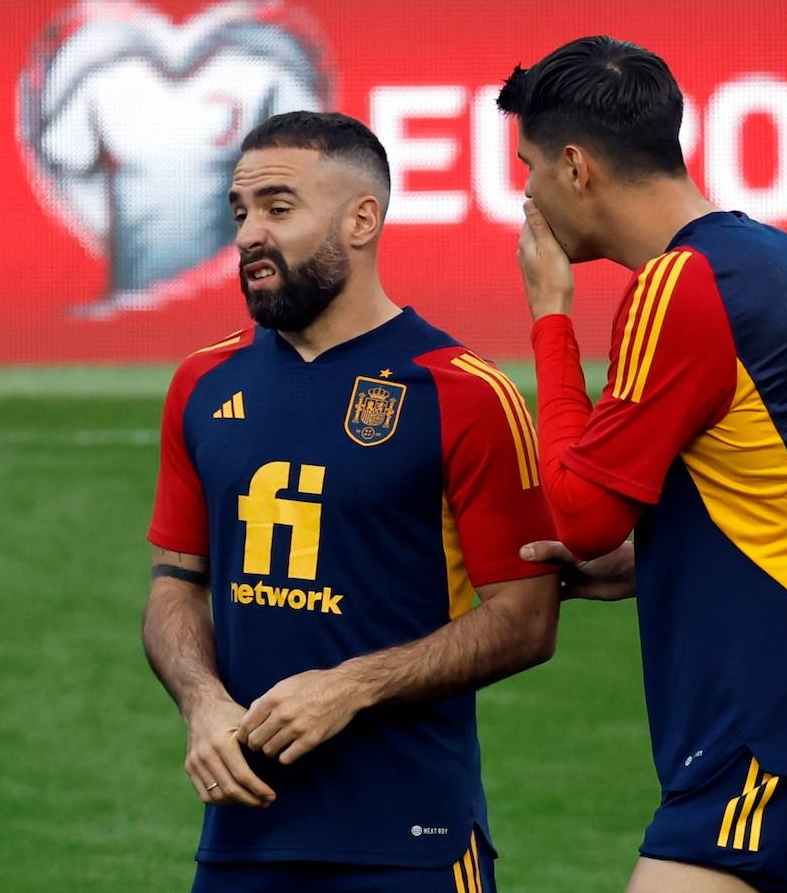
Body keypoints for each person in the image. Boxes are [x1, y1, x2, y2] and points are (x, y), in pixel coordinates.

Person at [498, 38, 787, 893]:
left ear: (578, 167)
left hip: (775, 739)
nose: (526, 193)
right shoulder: (782, 259)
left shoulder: (680, 286)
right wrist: (658, 557)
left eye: (532, 166)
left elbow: (580, 513)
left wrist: (550, 317)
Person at [142, 110, 558, 893]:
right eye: (240, 213)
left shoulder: (463, 393)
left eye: (278, 207)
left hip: (413, 843)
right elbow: (175, 583)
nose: (249, 236)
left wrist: (352, 684)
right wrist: (201, 701)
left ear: (362, 218)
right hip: (242, 839)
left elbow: (526, 619)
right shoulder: (202, 384)